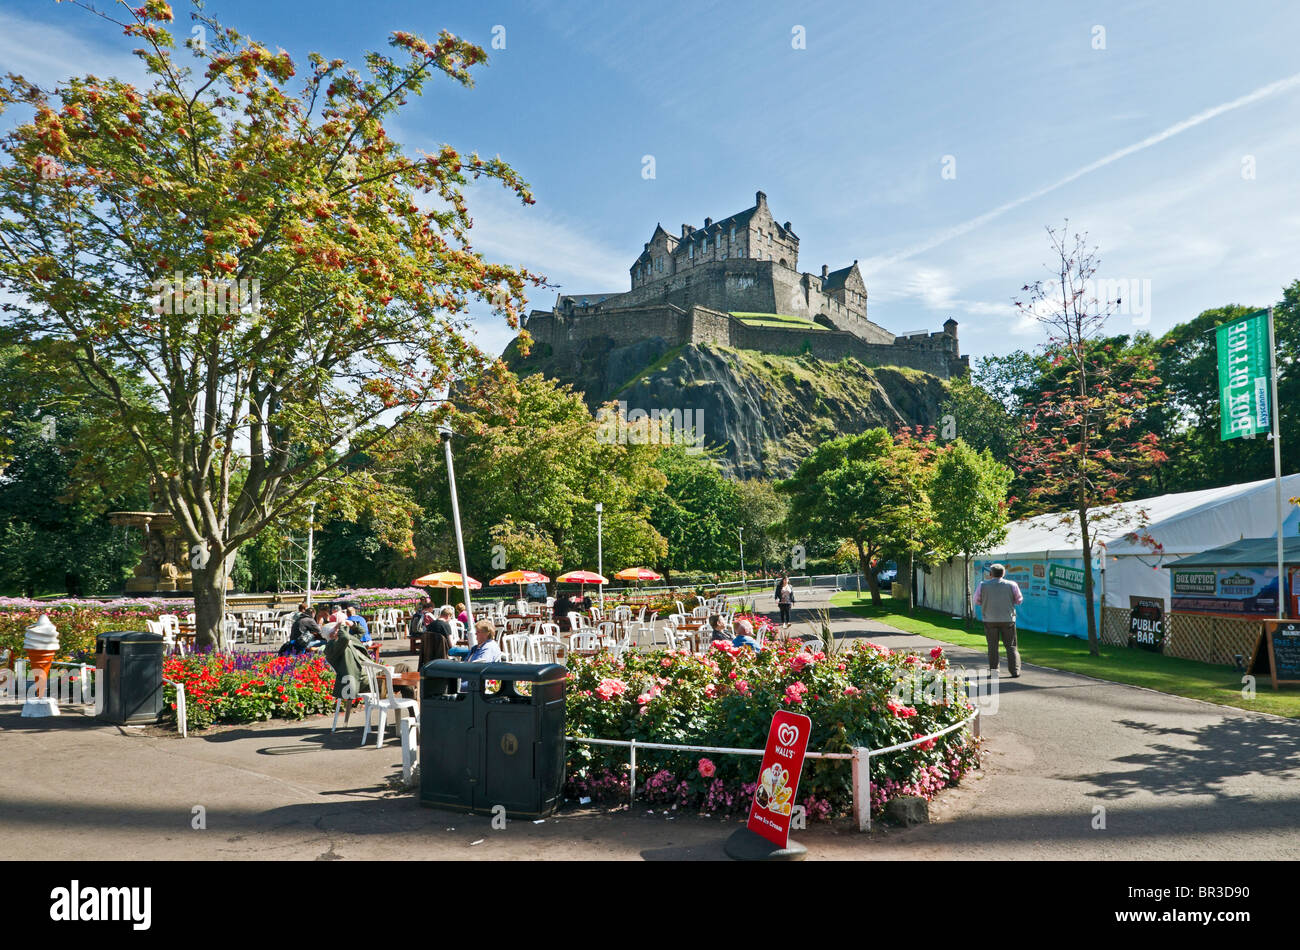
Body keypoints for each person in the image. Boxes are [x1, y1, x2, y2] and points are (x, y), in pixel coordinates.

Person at [973, 563, 1023, 677]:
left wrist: (986, 602)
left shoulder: (982, 585)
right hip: (1008, 619)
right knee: (1011, 646)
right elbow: (1019, 600)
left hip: (989, 619)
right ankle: (1015, 671)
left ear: (990, 574)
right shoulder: (1012, 585)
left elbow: (977, 600)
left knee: (992, 647)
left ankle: (994, 672)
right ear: (1004, 573)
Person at [324, 618, 371, 707]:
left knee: (403, 669)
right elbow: (344, 637)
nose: (339, 630)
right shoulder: (331, 647)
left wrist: (352, 624)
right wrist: (341, 625)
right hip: (361, 680)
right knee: (394, 682)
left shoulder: (348, 640)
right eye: (337, 629)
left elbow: (362, 631)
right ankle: (384, 717)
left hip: (371, 674)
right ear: (330, 635)